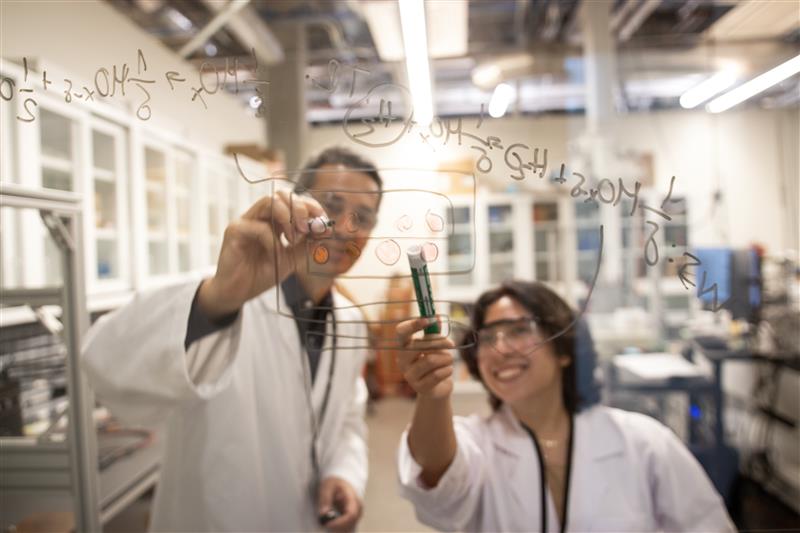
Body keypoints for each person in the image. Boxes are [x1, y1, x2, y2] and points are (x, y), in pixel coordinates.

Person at [83, 147, 382, 532]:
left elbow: (346, 419)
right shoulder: (223, 293)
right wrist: (217, 301)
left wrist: (344, 474)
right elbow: (105, 366)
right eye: (332, 205)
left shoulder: (351, 322)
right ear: (299, 206)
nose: (345, 227)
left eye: (363, 217)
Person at [394, 280, 735, 532]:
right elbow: (439, 481)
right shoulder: (476, 441)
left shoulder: (643, 442)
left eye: (519, 330)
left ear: (564, 350)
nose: (501, 349)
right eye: (487, 337)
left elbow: (707, 524)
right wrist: (433, 396)